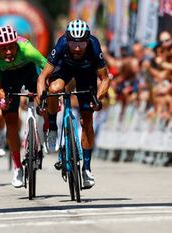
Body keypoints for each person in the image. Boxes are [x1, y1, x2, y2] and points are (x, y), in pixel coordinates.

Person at [37, 19, 110, 189]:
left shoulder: (94, 45)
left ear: (87, 40)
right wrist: (42, 99)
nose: (77, 48)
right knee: (54, 89)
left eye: (81, 44)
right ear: (67, 40)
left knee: (87, 121)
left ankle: (86, 168)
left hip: (86, 75)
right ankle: (54, 127)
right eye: (73, 43)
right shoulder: (61, 44)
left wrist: (98, 98)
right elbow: (43, 77)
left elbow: (104, 79)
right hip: (65, 70)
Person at [0, 25, 47, 188]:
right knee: (10, 120)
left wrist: (46, 88)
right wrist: (4, 99)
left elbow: (46, 67)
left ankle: (49, 126)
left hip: (29, 72)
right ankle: (17, 167)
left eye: (11, 47)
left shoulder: (26, 49)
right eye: (3, 49)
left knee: (43, 97)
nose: (8, 52)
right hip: (8, 79)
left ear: (17, 44)